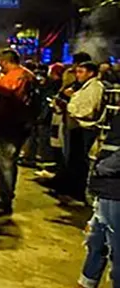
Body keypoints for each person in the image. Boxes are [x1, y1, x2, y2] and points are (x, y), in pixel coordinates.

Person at [53, 108, 120, 288]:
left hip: (116, 187)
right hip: (108, 187)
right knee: (96, 241)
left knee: (118, 254)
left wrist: (105, 167)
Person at [0, 49, 35, 215]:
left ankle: (5, 198)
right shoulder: (29, 75)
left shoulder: (14, 76)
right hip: (22, 123)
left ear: (6, 62)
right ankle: (4, 196)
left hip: (9, 125)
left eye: (1, 63)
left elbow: (7, 91)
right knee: (8, 161)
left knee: (5, 162)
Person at [62, 61, 105, 202]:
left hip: (85, 128)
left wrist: (69, 106)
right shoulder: (84, 87)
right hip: (77, 126)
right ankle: (71, 190)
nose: (78, 75)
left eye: (81, 72)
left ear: (90, 73)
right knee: (74, 161)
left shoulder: (95, 88)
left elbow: (88, 110)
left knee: (80, 162)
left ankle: (77, 193)